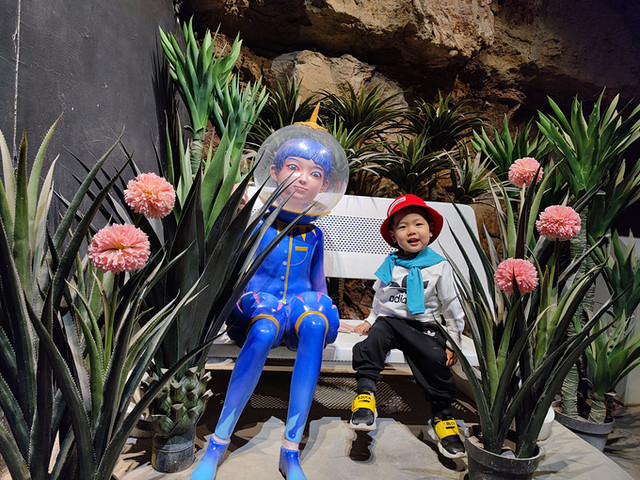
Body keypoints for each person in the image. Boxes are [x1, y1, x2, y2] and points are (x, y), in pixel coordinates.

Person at [191, 122, 348, 480]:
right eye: (293, 167)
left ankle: (290, 450)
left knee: (314, 324)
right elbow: (231, 269)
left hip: (297, 310)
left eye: (315, 174)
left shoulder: (314, 234)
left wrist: (328, 312)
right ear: (274, 172)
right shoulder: (256, 223)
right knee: (263, 330)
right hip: (256, 307)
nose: (303, 179)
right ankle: (218, 443)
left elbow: (318, 283)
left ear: (324, 184)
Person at [349, 194, 466, 459]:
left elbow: (451, 305)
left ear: (430, 230)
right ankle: (365, 396)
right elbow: (381, 297)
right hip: (390, 323)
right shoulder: (391, 264)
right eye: (402, 227)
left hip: (424, 326)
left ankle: (442, 416)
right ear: (393, 236)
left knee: (436, 359)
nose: (411, 231)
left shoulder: (439, 267)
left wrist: (453, 341)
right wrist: (370, 320)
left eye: (418, 224)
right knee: (372, 341)